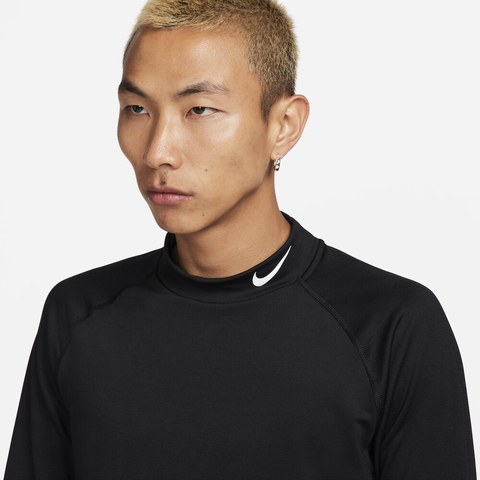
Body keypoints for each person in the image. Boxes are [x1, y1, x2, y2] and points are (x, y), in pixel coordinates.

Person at [4, 0, 476, 478]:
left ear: (283, 126)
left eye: (200, 109)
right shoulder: (77, 315)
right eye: (138, 108)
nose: (157, 151)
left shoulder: (393, 327)